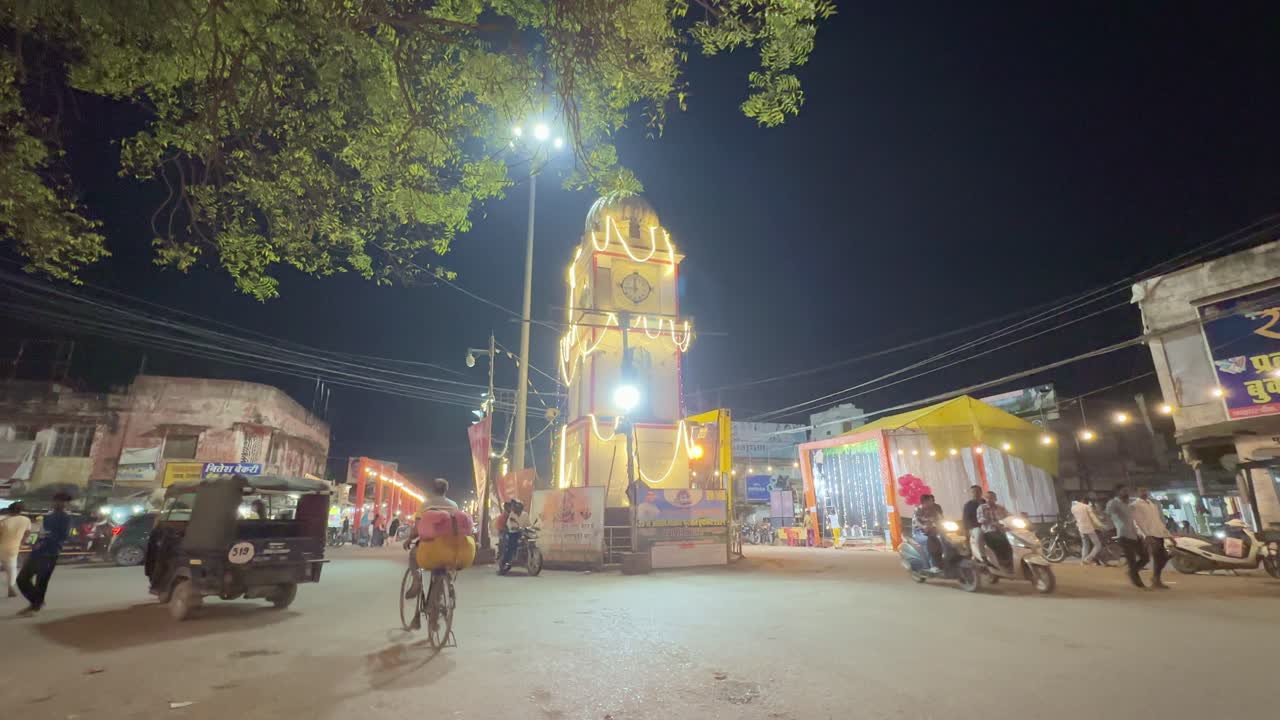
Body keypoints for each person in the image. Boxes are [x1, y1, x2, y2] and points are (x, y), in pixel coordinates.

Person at [17, 492, 72, 615]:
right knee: (22, 579)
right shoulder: (47, 516)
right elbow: (41, 533)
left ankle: (35, 605)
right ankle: (37, 602)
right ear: (54, 501)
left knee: (41, 581)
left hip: (50, 553)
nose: (61, 503)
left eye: (64, 501)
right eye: (58, 500)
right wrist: (35, 543)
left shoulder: (66, 517)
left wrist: (45, 541)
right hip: (37, 552)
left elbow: (63, 536)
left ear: (67, 504)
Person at [404, 478, 459, 600]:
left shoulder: (425, 505)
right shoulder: (454, 506)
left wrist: (409, 539)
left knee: (413, 554)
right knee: (446, 564)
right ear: (446, 490)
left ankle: (416, 581)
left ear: (432, 490)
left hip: (428, 548)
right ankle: (448, 581)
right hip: (448, 547)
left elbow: (417, 529)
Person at [1105, 484, 1147, 589]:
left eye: (1127, 491)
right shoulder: (1113, 503)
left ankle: (1131, 572)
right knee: (1131, 560)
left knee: (1145, 557)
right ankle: (1138, 583)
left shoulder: (1128, 504)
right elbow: (1107, 515)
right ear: (1118, 492)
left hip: (1134, 534)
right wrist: (1110, 528)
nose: (1126, 493)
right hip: (1123, 535)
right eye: (1124, 491)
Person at [1132, 487, 1172, 589]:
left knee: (1164, 557)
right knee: (1156, 557)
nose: (1144, 492)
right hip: (1149, 535)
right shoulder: (1135, 505)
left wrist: (1168, 535)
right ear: (1137, 493)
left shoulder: (1152, 504)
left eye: (1145, 490)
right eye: (1141, 490)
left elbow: (1158, 521)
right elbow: (1136, 522)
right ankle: (1152, 579)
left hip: (1158, 534)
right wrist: (1145, 535)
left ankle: (1155, 578)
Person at [1, 502, 32, 598]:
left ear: (9, 510)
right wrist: (21, 543)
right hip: (13, 548)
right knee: (12, 568)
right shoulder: (26, 520)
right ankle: (11, 588)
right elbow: (27, 533)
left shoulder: (4, 521)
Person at [977, 490, 1013, 570]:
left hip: (1003, 530)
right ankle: (1002, 561)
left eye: (992, 498)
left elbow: (1009, 516)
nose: (990, 499)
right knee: (1000, 540)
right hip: (989, 530)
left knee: (1014, 540)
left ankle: (1011, 561)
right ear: (985, 499)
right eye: (988, 498)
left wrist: (1017, 518)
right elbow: (980, 519)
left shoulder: (1001, 508)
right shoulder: (982, 508)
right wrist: (991, 522)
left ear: (995, 499)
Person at [912, 494, 945, 569]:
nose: (932, 502)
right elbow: (917, 521)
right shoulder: (918, 509)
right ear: (925, 502)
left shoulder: (936, 508)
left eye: (932, 500)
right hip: (919, 532)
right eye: (930, 501)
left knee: (944, 538)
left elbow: (941, 518)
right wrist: (923, 526)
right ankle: (930, 565)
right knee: (928, 541)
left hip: (933, 530)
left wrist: (942, 523)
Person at [1071, 498, 1103, 565]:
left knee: (1085, 545)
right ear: (1085, 501)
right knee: (1098, 545)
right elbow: (1093, 517)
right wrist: (1101, 525)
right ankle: (1088, 559)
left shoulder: (1073, 508)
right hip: (1089, 528)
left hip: (1081, 529)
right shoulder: (1086, 507)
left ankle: (1083, 561)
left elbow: (1075, 518)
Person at [961, 485, 985, 562]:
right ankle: (981, 556)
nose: (975, 493)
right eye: (973, 492)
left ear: (981, 492)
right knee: (979, 533)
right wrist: (968, 530)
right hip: (975, 527)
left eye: (977, 491)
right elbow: (965, 520)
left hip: (987, 526)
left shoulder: (985, 502)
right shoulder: (968, 505)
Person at [502, 500, 525, 569]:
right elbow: (509, 524)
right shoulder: (512, 514)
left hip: (522, 532)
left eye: (520, 507)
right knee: (511, 547)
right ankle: (505, 562)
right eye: (517, 507)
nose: (518, 508)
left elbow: (528, 523)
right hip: (513, 533)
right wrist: (513, 527)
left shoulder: (525, 514)